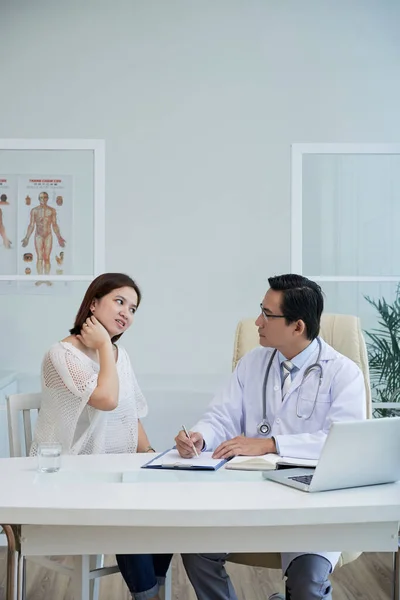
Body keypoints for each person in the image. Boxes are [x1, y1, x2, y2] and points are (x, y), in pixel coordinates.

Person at [175, 274, 366, 600]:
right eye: (260, 311)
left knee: (308, 585)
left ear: (297, 327)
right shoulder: (253, 363)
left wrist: (272, 444)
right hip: (247, 494)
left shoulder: (343, 373)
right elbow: (221, 416)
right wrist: (200, 437)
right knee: (195, 550)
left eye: (268, 314)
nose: (257, 322)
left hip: (311, 503)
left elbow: (343, 443)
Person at [31, 272, 171, 600]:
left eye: (133, 309)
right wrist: (106, 347)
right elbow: (107, 400)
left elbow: (129, 413)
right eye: (119, 302)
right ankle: (147, 594)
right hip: (66, 476)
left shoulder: (120, 357)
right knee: (128, 513)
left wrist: (151, 456)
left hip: (112, 474)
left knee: (168, 504)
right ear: (93, 304)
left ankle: (156, 588)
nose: (127, 313)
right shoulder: (61, 354)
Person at [21, 191, 66, 274]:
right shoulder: (34, 210)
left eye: (45, 197)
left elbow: (54, 225)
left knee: (47, 258)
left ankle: (46, 278)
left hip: (48, 235)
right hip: (38, 235)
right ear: (39, 199)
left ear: (47, 199)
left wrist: (59, 237)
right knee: (40, 258)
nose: (43, 199)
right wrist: (27, 238)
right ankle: (40, 278)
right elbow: (31, 225)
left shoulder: (52, 210)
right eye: (41, 197)